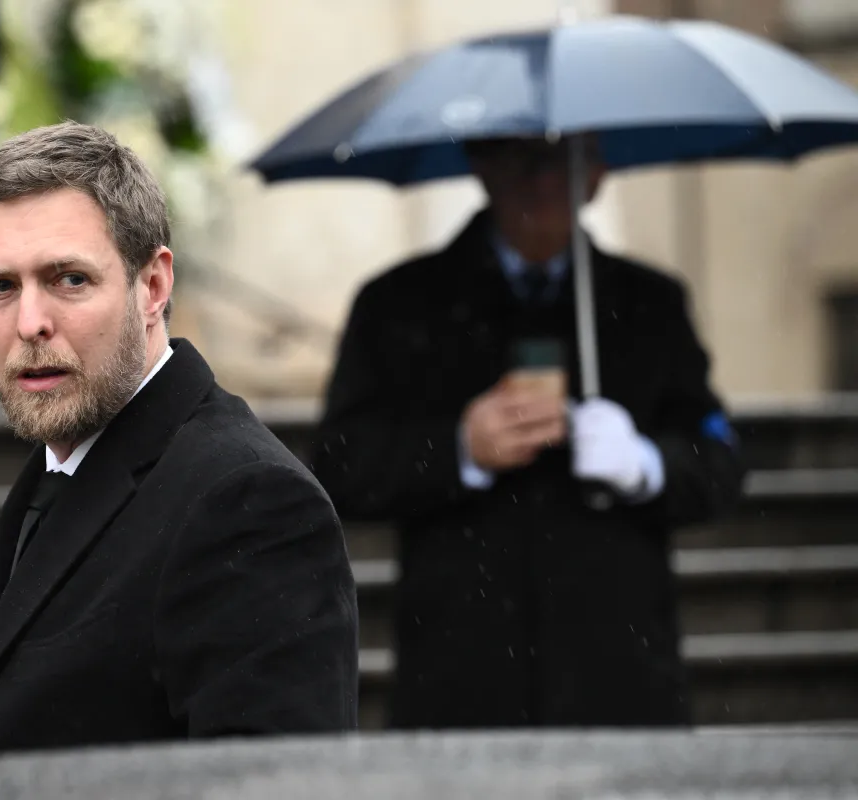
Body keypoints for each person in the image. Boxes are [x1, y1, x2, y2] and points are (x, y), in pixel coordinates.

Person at [0, 122, 359, 759]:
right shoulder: (63, 463)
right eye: (0, 287)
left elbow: (273, 784)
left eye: (69, 279)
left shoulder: (250, 502)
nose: (30, 323)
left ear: (152, 287)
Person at [311, 135, 746, 729]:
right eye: (522, 157)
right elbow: (340, 464)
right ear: (481, 164)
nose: (544, 178)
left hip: (619, 678)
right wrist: (457, 449)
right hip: (463, 677)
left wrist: (645, 463)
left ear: (597, 172)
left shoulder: (651, 304)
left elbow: (719, 464)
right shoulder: (399, 304)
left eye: (567, 158)